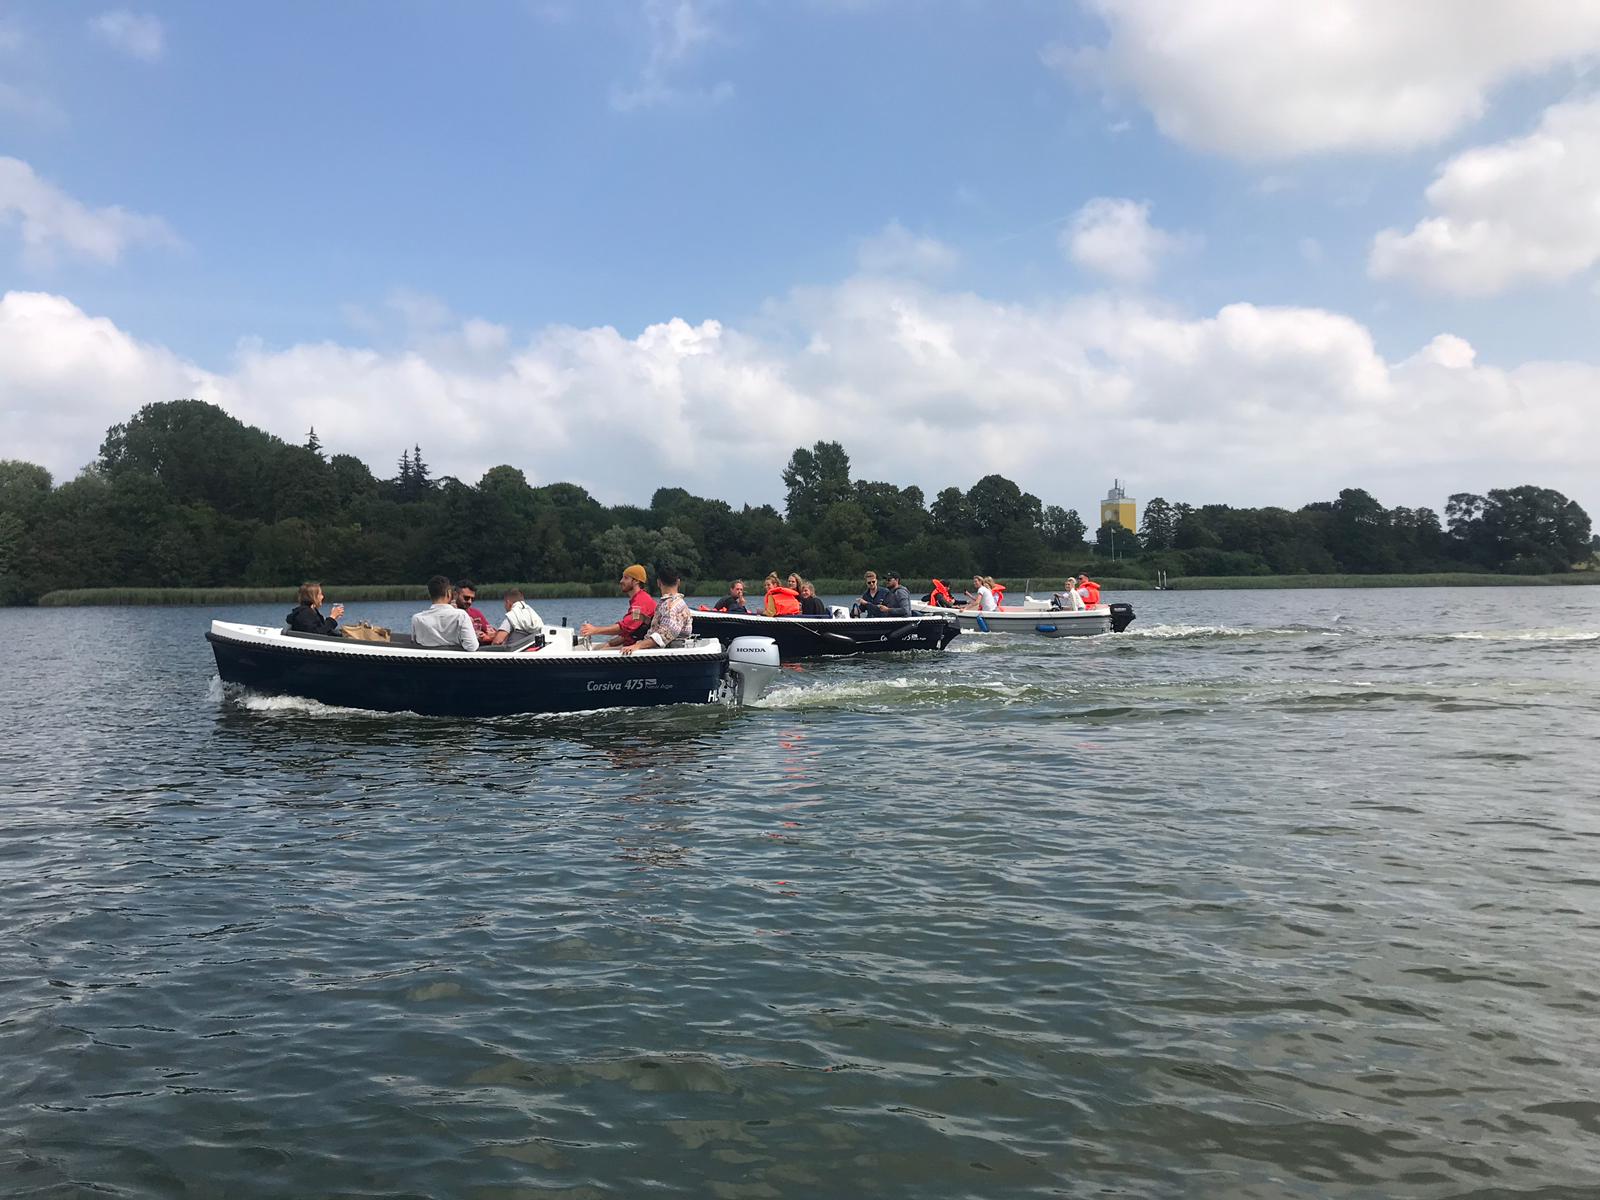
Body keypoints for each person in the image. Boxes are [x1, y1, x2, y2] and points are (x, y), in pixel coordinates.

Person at [579, 564, 657, 647]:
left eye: (626, 578)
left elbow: (624, 627)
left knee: (600, 650)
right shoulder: (638, 600)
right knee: (601, 647)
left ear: (636, 581)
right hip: (632, 645)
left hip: (637, 648)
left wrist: (595, 630)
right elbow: (630, 631)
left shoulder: (640, 602)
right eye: (622, 577)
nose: (621, 581)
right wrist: (609, 643)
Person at [621, 566, 693, 652]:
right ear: (678, 582)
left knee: (611, 649)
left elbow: (665, 634)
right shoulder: (672, 603)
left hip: (663, 652)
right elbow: (666, 625)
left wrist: (637, 646)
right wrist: (646, 620)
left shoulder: (671, 606)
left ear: (658, 582)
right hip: (656, 648)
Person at [412, 574, 479, 650]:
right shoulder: (461, 615)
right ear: (448, 593)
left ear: (430, 595)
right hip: (454, 657)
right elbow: (472, 647)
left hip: (427, 656)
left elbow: (416, 643)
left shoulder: (417, 618)